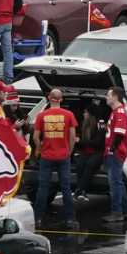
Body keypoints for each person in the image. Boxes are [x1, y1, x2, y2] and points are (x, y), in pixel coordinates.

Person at [33, 87, 77, 227]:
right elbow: (72, 136)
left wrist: (40, 149)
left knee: (43, 188)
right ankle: (70, 219)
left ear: (49, 98)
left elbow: (35, 137)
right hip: (63, 156)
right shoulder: (69, 115)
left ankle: (38, 218)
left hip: (47, 156)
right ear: (61, 99)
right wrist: (69, 151)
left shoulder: (41, 116)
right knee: (66, 188)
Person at [102, 85, 127, 222]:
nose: (106, 98)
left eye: (108, 95)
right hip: (113, 153)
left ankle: (117, 212)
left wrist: (112, 149)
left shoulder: (119, 112)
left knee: (114, 183)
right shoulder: (115, 112)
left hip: (116, 153)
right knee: (118, 182)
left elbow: (119, 133)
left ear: (115, 96)